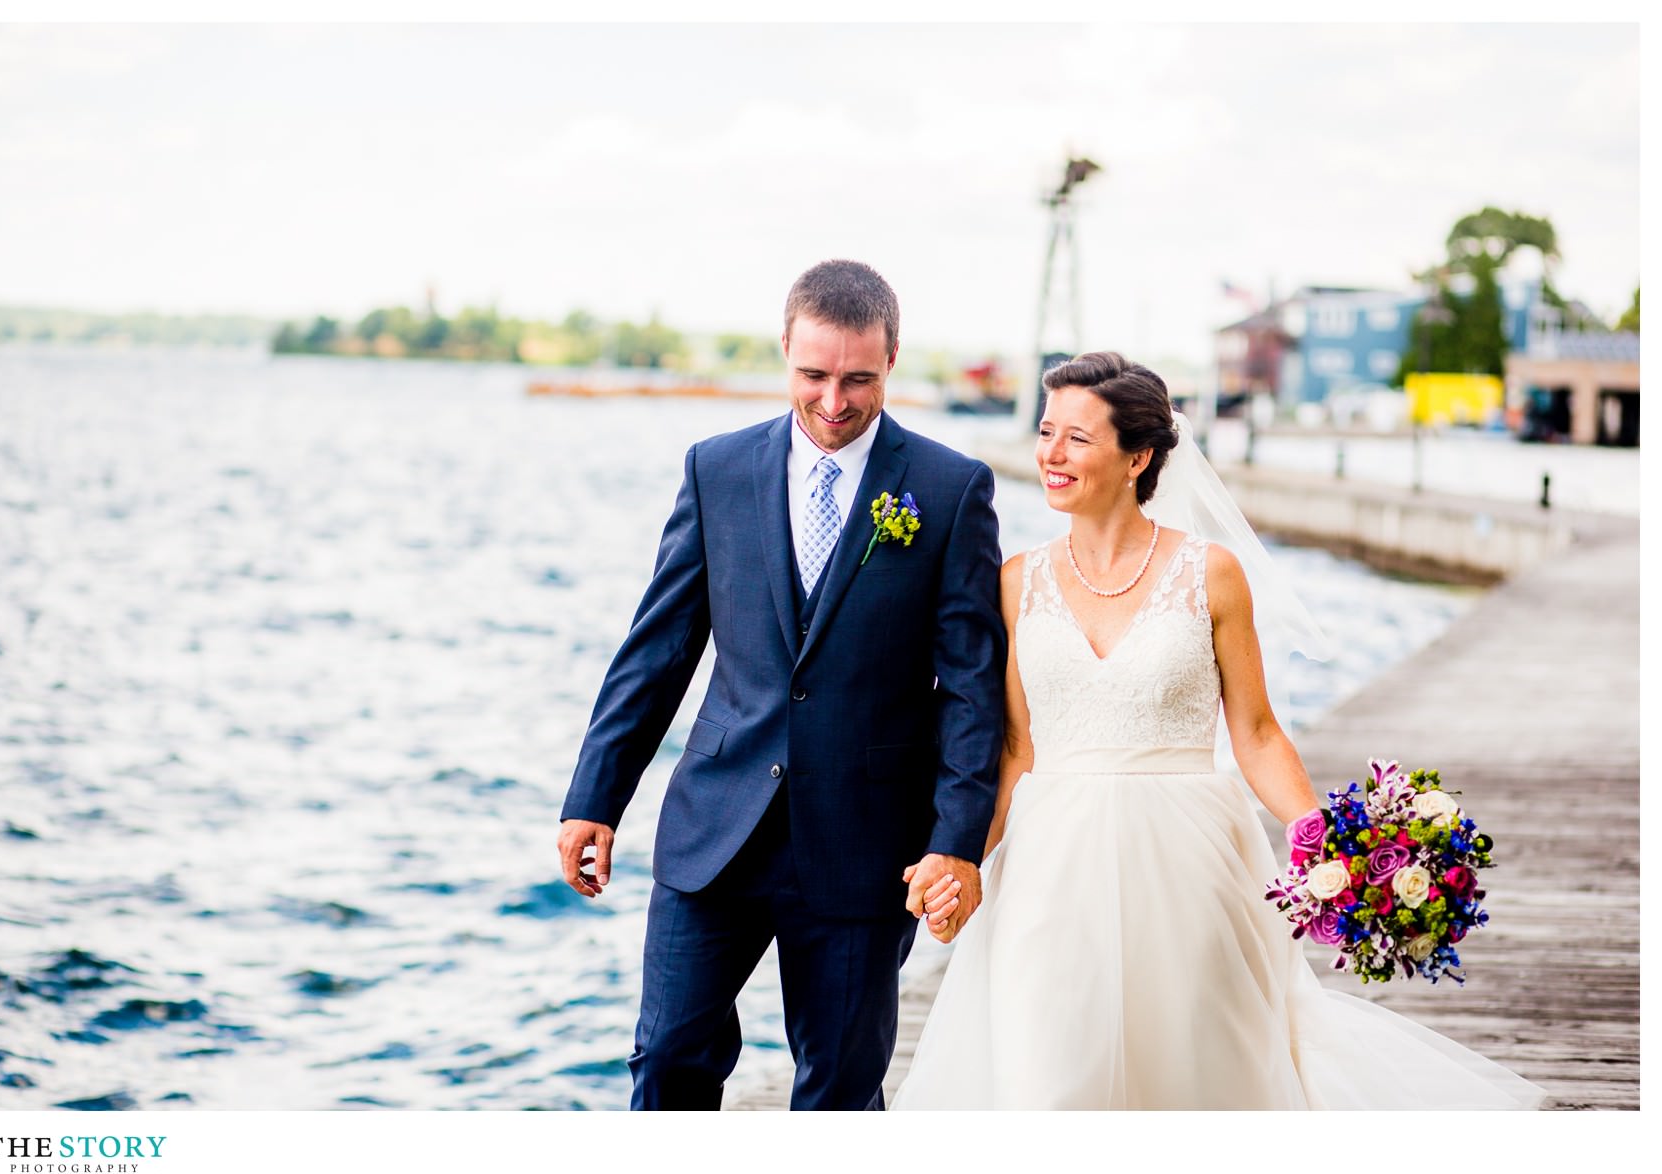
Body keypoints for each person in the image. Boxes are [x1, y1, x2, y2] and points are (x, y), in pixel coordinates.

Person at [892, 352, 1546, 1110]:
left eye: (1076, 438)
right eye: (1046, 433)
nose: (1050, 454)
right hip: (1049, 867)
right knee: (1047, 1076)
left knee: (1199, 1076)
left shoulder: (1212, 573)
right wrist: (960, 861)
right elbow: (1015, 749)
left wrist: (1339, 850)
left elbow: (1259, 735)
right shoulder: (1015, 580)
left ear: (1137, 457)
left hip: (1190, 862)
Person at [557, 260, 1007, 1110]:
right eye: (814, 375)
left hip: (866, 847)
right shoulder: (715, 469)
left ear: (894, 359)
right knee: (668, 1064)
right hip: (714, 831)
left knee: (839, 1092)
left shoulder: (950, 491)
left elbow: (973, 689)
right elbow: (658, 651)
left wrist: (955, 840)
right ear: (785, 354)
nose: (834, 401)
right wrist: (595, 797)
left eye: (859, 379)